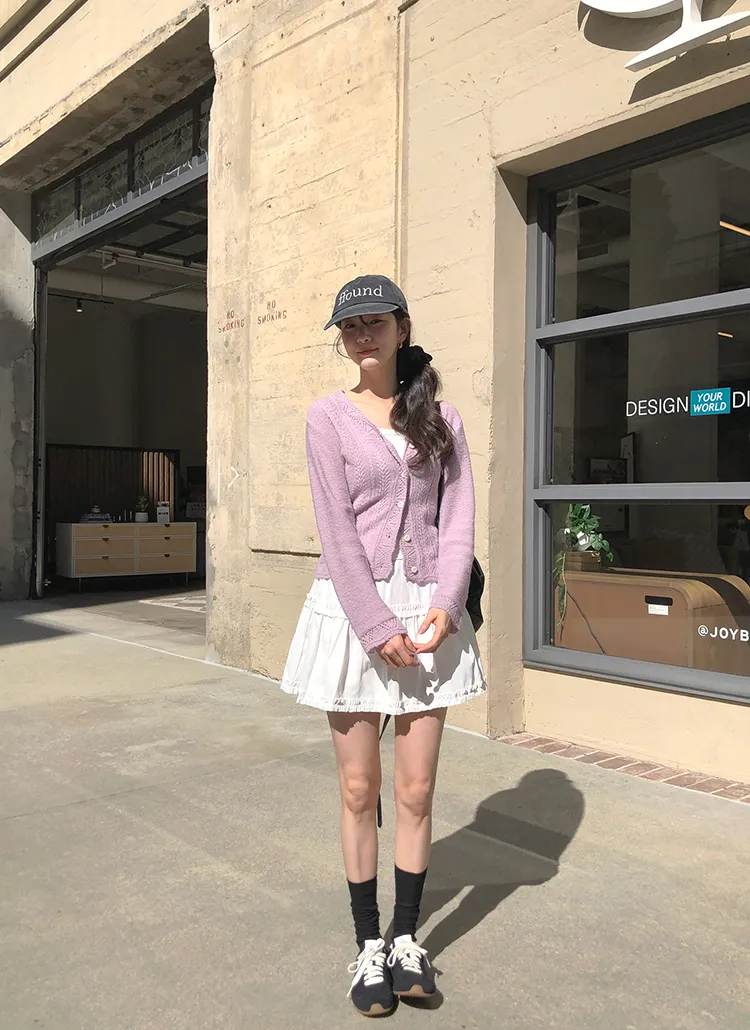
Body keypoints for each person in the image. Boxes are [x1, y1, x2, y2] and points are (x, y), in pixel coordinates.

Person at [281, 274, 486, 1016]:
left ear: (402, 328)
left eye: (374, 322)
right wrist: (375, 625)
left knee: (417, 790)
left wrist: (446, 604)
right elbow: (336, 533)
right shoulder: (327, 418)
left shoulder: (442, 418)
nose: (362, 335)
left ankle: (406, 939)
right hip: (353, 613)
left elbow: (458, 520)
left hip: (429, 615)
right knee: (359, 789)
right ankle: (368, 944)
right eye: (349, 326)